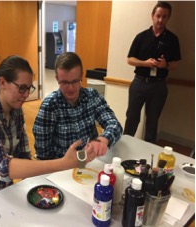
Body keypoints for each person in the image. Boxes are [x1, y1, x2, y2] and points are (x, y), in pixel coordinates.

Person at [0, 55, 99, 215]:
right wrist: (63, 163)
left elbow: (24, 157)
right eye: (21, 88)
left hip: (0, 196)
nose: (26, 94)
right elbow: (0, 167)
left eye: (28, 88)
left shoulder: (16, 112)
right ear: (2, 82)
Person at [33, 52, 123, 160]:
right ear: (57, 78)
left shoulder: (92, 96)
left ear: (81, 76)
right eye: (64, 82)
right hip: (62, 167)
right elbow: (43, 152)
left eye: (75, 81)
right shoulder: (49, 106)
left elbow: (114, 124)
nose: (70, 88)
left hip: (91, 160)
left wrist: (103, 140)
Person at [123, 1, 181, 143]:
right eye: (158, 16)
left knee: (152, 122)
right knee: (132, 118)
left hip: (158, 86)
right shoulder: (141, 37)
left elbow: (175, 64)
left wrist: (165, 65)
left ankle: (148, 156)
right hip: (139, 83)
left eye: (164, 17)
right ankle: (124, 147)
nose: (160, 20)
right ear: (152, 16)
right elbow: (129, 60)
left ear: (168, 18)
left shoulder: (172, 39)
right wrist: (145, 63)